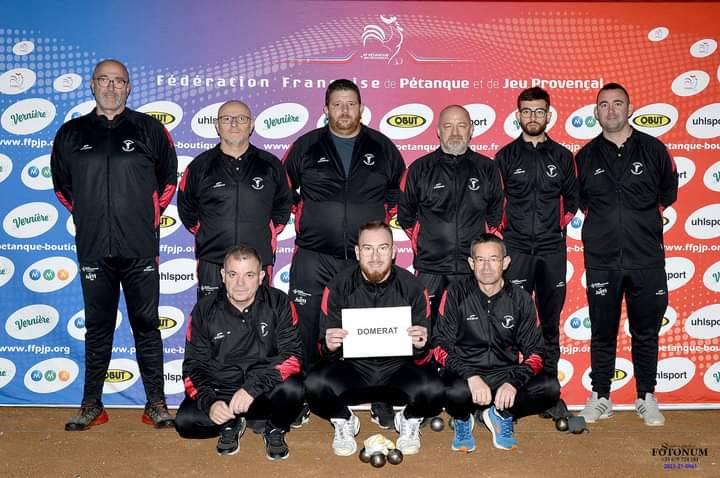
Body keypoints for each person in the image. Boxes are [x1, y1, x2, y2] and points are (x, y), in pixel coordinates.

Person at [51, 59, 177, 431]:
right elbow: (63, 187)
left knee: (146, 325)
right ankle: (92, 404)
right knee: (98, 326)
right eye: (104, 80)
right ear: (92, 85)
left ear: (128, 88)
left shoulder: (150, 130)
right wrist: (92, 217)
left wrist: (143, 217)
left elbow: (167, 181)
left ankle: (156, 403)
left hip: (139, 246)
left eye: (118, 81)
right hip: (93, 248)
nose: (110, 87)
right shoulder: (71, 133)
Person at [283, 79, 406, 427]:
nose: (344, 111)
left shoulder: (382, 146)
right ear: (326, 109)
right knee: (306, 327)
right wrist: (305, 216)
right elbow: (281, 188)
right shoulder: (306, 145)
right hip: (313, 254)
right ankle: (307, 394)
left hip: (365, 259)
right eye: (337, 104)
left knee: (375, 326)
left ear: (361, 108)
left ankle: (380, 397)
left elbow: (401, 190)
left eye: (351, 103)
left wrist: (382, 220)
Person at [576, 83, 678, 426]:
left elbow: (668, 192)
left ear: (630, 108)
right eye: (604, 105)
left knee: (645, 331)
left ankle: (646, 396)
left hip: (646, 259)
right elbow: (582, 202)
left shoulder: (654, 150)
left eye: (617, 104)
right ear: (596, 112)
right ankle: (601, 396)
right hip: (602, 261)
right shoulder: (585, 157)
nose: (611, 110)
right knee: (602, 332)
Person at [305, 221, 443, 456]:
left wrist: (421, 348)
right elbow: (323, 353)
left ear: (394, 251)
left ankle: (408, 419)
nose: (376, 256)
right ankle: (344, 420)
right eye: (368, 248)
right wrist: (328, 347)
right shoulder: (338, 286)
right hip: (354, 374)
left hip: (398, 375)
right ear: (358, 252)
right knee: (313, 385)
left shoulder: (413, 288)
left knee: (435, 389)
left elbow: (425, 357)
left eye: (383, 248)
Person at [494, 87, 578, 418]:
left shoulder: (562, 156)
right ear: (518, 116)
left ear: (548, 115)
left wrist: (554, 227)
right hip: (515, 250)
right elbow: (494, 202)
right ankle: (506, 392)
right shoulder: (504, 157)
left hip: (551, 250)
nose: (532, 117)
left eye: (538, 111)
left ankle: (548, 393)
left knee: (549, 325)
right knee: (510, 322)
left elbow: (572, 200)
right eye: (526, 111)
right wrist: (506, 234)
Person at [433, 233, 559, 452]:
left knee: (549, 388)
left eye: (493, 259)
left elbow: (537, 351)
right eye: (480, 260)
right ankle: (463, 419)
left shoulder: (520, 299)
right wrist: (470, 375)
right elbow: (439, 345)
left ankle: (500, 414)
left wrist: (514, 382)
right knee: (450, 392)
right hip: (467, 377)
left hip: (505, 375)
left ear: (506, 262)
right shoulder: (455, 294)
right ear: (472, 263)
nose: (487, 267)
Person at [175, 246, 304, 459]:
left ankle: (274, 427)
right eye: (233, 274)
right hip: (222, 391)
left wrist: (252, 389)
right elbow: (193, 365)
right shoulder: (204, 310)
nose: (241, 283)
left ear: (261, 277)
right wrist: (210, 402)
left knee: (293, 390)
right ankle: (232, 421)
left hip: (263, 390)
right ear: (223, 276)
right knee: (185, 422)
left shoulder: (279, 303)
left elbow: (293, 357)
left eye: (249, 275)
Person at [398, 104, 503, 318]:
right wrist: (427, 243)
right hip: (430, 269)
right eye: (448, 126)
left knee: (472, 333)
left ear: (471, 130)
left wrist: (480, 253)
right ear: (438, 131)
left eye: (461, 126)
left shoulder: (488, 169)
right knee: (427, 332)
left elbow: (496, 216)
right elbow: (405, 217)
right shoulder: (419, 169)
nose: (455, 133)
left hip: (472, 269)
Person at [178, 100, 291, 297]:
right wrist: (209, 233)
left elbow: (283, 205)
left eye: (241, 119)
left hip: (257, 261)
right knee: (209, 322)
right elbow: (187, 208)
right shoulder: (200, 166)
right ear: (216, 125)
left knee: (260, 321)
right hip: (212, 260)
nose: (234, 124)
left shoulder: (270, 165)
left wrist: (267, 231)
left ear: (251, 124)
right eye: (227, 119)